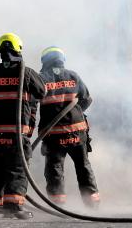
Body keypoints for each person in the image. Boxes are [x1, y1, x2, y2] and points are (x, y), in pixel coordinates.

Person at [0, 33, 46, 219]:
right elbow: (42, 92)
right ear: (18, 48)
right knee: (17, 169)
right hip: (16, 135)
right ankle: (15, 207)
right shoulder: (26, 73)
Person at [38, 46, 100, 208]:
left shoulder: (41, 79)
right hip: (78, 133)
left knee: (54, 169)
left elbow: (30, 104)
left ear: (45, 61)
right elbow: (87, 99)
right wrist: (74, 112)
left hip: (54, 136)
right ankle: (92, 204)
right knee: (83, 166)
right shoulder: (73, 76)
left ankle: (58, 205)